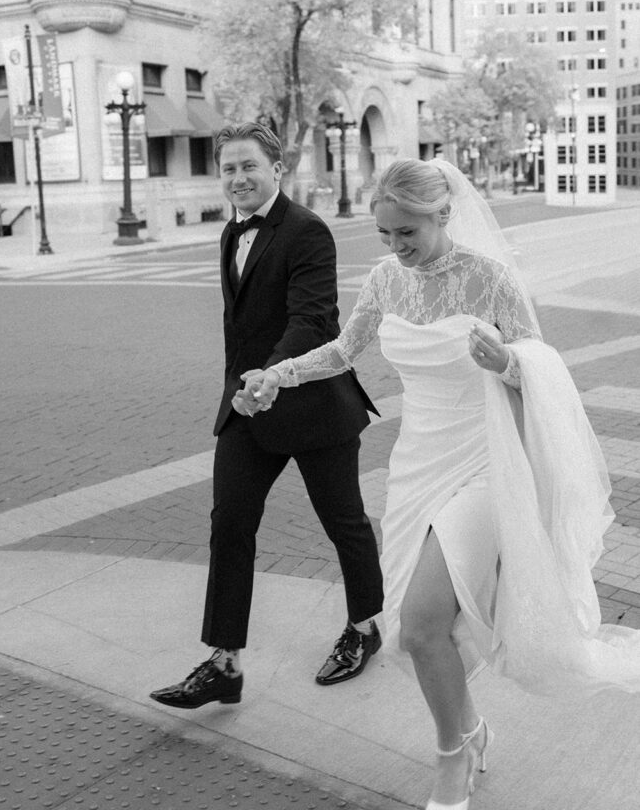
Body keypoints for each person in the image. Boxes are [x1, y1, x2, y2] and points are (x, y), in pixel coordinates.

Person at [237, 157, 640, 810]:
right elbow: (342, 350)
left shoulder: (488, 279)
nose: (397, 248)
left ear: (442, 216)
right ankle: (471, 730)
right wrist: (275, 375)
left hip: (483, 465)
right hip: (418, 465)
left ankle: (451, 760)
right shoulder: (386, 280)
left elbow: (543, 371)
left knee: (424, 625)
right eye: (385, 235)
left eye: (408, 234)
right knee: (411, 633)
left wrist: (507, 361)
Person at [150, 121, 384, 712]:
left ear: (277, 170)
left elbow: (312, 320)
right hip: (247, 408)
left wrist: (273, 372)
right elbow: (242, 327)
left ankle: (364, 626)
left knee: (344, 522)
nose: (237, 178)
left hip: (313, 404)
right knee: (230, 524)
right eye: (227, 168)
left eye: (248, 166)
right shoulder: (230, 232)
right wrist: (241, 387)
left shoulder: (308, 231)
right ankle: (224, 662)